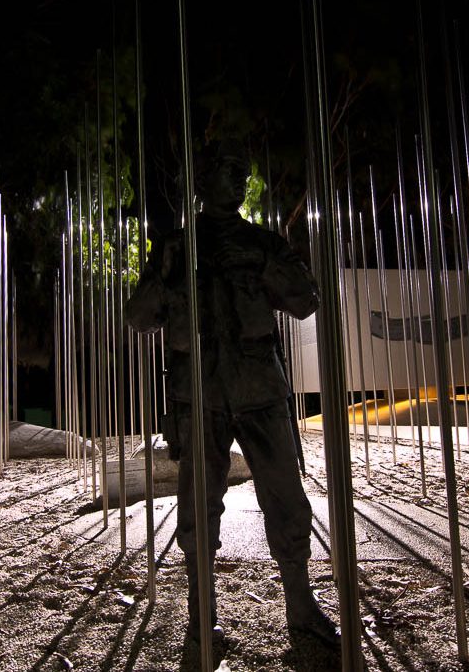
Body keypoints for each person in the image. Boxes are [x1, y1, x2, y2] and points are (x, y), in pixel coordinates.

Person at [126, 138, 339, 648]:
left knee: (286, 498)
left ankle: (301, 604)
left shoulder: (262, 242)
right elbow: (138, 317)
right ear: (202, 181)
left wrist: (262, 266)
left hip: (260, 385)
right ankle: (202, 614)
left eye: (243, 172)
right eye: (229, 171)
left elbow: (307, 299)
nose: (240, 180)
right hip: (199, 390)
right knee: (199, 505)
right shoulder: (177, 245)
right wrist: (166, 270)